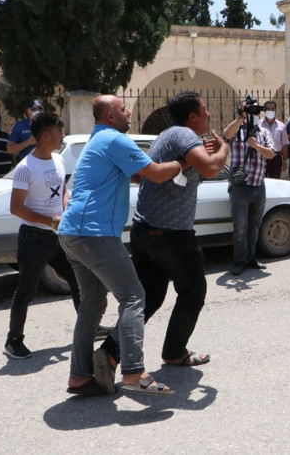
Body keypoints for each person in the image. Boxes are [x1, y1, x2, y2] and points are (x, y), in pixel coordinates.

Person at [59, 95, 185, 397]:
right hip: (94, 233)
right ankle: (134, 372)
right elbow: (155, 173)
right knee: (133, 297)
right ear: (110, 116)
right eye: (123, 108)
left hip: (73, 232)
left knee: (92, 305)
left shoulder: (98, 141)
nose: (128, 111)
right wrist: (183, 162)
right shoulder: (114, 139)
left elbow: (139, 176)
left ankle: (79, 377)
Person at [98, 91, 229, 371]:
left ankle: (109, 354)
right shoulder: (184, 135)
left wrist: (203, 154)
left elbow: (182, 170)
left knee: (149, 298)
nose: (208, 114)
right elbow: (210, 169)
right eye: (204, 109)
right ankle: (174, 352)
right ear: (192, 115)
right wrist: (224, 148)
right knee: (193, 292)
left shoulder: (168, 136)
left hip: (146, 231)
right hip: (171, 234)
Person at [2, 112, 83, 359]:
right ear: (46, 135)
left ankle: (89, 327)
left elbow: (63, 190)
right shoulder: (25, 168)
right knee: (26, 290)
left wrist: (65, 211)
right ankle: (13, 341)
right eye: (60, 131)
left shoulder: (58, 159)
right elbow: (16, 208)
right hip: (34, 238)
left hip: (57, 236)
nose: (63, 135)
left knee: (79, 280)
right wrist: (50, 221)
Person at [224, 99, 275, 276]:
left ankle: (251, 258)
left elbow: (271, 154)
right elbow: (227, 134)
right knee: (240, 227)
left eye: (256, 111)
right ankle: (239, 261)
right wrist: (240, 117)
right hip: (240, 187)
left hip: (258, 186)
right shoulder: (237, 129)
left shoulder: (264, 132)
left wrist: (257, 146)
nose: (254, 115)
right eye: (250, 111)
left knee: (254, 227)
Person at [260, 100, 289, 179]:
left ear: (275, 110)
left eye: (272, 109)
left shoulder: (281, 126)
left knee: (275, 182)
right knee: (261, 181)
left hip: (276, 158)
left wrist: (285, 160)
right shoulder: (258, 125)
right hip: (262, 157)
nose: (270, 111)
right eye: (268, 109)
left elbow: (285, 144)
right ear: (264, 110)